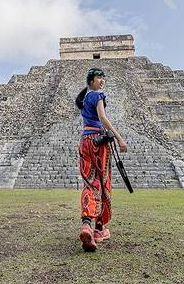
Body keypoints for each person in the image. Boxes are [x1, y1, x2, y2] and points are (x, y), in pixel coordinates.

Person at [74, 67, 128, 252]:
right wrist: (120, 139)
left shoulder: (84, 99)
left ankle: (86, 224)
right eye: (98, 78)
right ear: (91, 81)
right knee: (104, 183)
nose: (102, 81)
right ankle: (98, 228)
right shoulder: (98, 95)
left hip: (85, 141)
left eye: (103, 78)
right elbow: (103, 118)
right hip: (99, 142)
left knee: (90, 183)